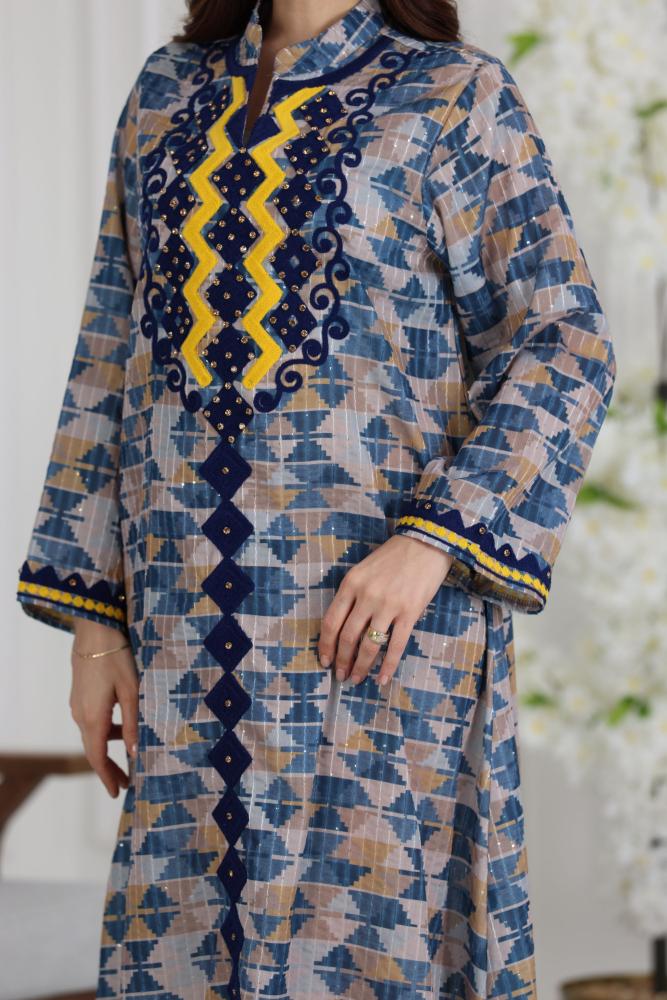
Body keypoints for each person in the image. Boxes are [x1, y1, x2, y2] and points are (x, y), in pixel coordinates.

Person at [16, 0, 617, 995]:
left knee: (373, 948)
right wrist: (94, 626)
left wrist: (431, 543)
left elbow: (563, 344)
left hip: (378, 637)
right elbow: (109, 351)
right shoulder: (168, 93)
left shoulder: (455, 95)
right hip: (184, 642)